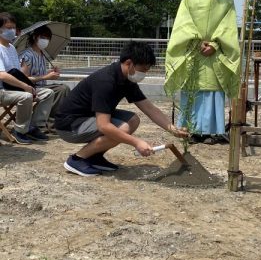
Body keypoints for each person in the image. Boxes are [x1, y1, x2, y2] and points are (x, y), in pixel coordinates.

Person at [55, 41, 188, 177]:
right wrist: (137, 142)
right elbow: (104, 126)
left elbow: (149, 108)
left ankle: (94, 156)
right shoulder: (105, 81)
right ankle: (77, 159)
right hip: (70, 125)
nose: (144, 74)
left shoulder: (127, 79)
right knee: (122, 128)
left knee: (133, 120)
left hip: (88, 117)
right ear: (129, 63)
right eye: (143, 70)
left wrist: (172, 128)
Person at [164, 0, 240, 145]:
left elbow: (228, 25)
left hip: (217, 51)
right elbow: (183, 21)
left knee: (214, 90)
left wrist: (215, 44)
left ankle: (213, 131)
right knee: (193, 88)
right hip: (193, 49)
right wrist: (197, 41)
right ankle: (189, 129)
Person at [0, 12, 54, 144]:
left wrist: (27, 85)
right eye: (8, 28)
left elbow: (17, 73)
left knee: (48, 93)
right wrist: (25, 86)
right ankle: (20, 130)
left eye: (13, 27)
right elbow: (2, 74)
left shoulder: (11, 47)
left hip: (14, 87)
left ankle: (33, 126)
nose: (12, 31)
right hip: (2, 90)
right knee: (26, 96)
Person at [19, 25, 70, 130]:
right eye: (43, 37)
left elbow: (39, 74)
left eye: (48, 38)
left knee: (63, 88)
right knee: (60, 89)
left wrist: (51, 73)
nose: (45, 40)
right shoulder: (27, 55)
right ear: (35, 37)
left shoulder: (42, 55)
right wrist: (46, 77)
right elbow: (23, 78)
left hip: (41, 86)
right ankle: (42, 124)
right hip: (30, 88)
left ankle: (53, 121)